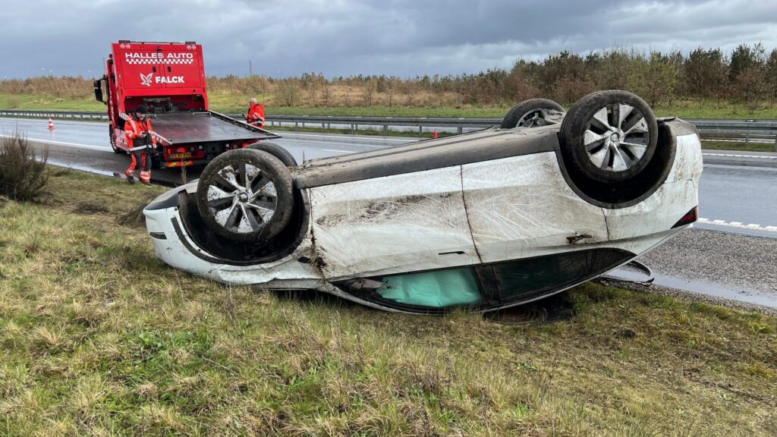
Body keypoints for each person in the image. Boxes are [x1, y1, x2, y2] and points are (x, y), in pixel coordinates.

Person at [124, 105, 156, 184]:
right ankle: (129, 174)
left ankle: (145, 179)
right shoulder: (129, 121)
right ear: (136, 113)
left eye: (144, 114)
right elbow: (128, 134)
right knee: (138, 164)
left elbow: (151, 133)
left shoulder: (146, 121)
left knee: (148, 164)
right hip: (135, 147)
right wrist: (138, 135)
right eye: (140, 113)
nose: (142, 115)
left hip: (146, 146)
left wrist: (154, 143)